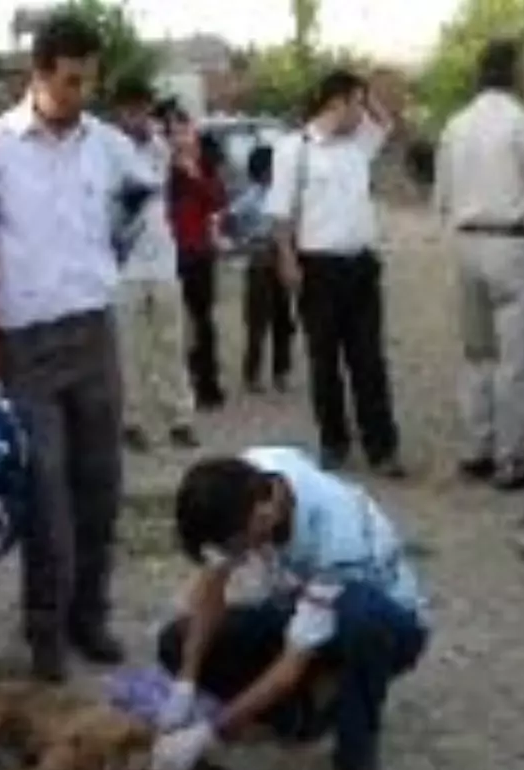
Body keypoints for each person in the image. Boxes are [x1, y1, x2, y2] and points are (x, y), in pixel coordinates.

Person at [0, 11, 156, 682]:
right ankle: (45, 629)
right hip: (24, 347)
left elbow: (140, 199)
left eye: (89, 81)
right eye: (71, 82)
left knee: (101, 486)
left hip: (93, 334)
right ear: (38, 75)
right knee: (45, 494)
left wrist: (108, 259)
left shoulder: (105, 143)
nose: (82, 95)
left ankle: (88, 617)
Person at [149, 447, 430, 770]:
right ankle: (301, 714)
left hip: (386, 620)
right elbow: (212, 588)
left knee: (361, 622)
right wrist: (185, 682)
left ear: (263, 514)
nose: (238, 555)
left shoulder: (335, 537)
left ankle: (355, 763)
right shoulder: (247, 478)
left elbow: (289, 666)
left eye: (237, 546)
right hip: (302, 603)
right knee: (176, 640)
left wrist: (210, 733)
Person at [434, 40, 524, 491]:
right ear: (513, 71)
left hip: (466, 243)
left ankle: (477, 450)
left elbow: (442, 197)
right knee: (519, 357)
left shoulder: (455, 124)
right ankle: (514, 459)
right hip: (511, 245)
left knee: (477, 353)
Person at [266, 70, 405, 477]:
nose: (362, 112)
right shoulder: (295, 149)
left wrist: (363, 90)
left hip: (361, 264)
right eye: (355, 103)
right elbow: (280, 212)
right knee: (324, 359)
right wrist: (287, 259)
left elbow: (388, 124)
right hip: (318, 268)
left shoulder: (359, 145)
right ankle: (334, 441)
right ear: (335, 103)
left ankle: (382, 446)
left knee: (369, 360)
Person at [110, 75, 198, 453]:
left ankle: (180, 418)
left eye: (144, 110)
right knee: (129, 348)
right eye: (132, 111)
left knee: (170, 343)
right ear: (120, 112)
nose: (140, 118)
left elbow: (166, 183)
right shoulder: (108, 150)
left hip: (162, 258)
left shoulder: (160, 147)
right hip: (124, 264)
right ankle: (130, 420)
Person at [166, 112, 228, 409]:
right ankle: (179, 385)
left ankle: (207, 383)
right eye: (174, 133)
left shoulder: (205, 166)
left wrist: (194, 174)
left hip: (200, 254)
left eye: (185, 132)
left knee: (203, 321)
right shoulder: (162, 169)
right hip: (169, 255)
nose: (181, 139)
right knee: (175, 324)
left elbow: (217, 201)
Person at [230, 144, 294, 393]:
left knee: (283, 320)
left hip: (280, 259)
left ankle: (281, 372)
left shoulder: (283, 195)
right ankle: (252, 374)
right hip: (258, 262)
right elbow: (228, 221)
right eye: (271, 168)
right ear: (261, 171)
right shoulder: (250, 197)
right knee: (257, 322)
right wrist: (243, 242)